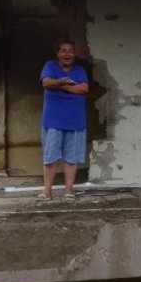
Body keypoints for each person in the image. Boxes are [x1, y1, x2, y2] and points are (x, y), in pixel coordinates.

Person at [38, 39, 90, 201]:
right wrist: (63, 82)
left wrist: (60, 86)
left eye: (71, 51)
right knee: (50, 158)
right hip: (53, 120)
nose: (67, 54)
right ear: (57, 53)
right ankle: (47, 192)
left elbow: (84, 88)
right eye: (64, 51)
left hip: (75, 121)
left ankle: (69, 191)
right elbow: (46, 82)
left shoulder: (79, 70)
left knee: (71, 158)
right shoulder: (50, 66)